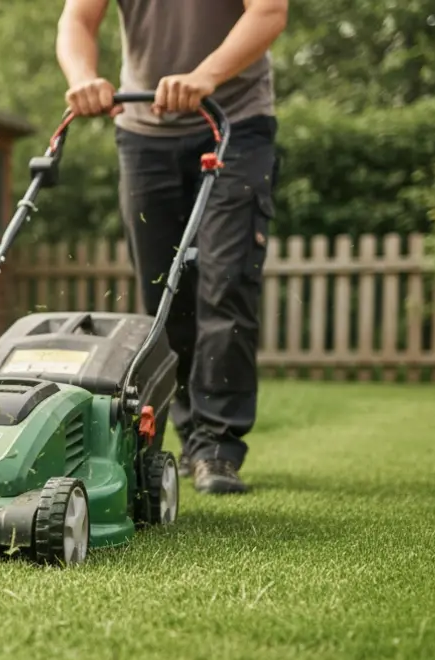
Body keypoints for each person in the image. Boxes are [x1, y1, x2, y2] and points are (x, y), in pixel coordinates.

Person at [55, 0, 287, 494]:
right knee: (165, 292)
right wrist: (83, 76)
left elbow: (269, 12)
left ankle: (218, 448)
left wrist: (205, 76)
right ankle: (187, 437)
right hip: (143, 134)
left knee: (226, 281)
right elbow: (78, 20)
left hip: (235, 124)